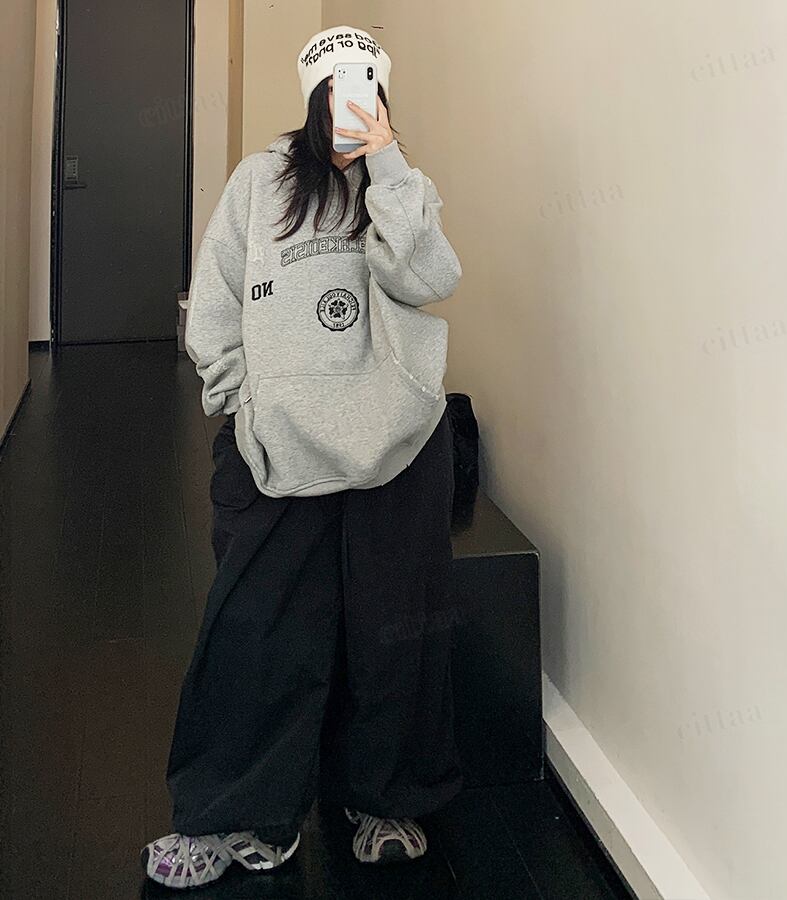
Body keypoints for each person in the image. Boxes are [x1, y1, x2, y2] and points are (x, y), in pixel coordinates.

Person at [141, 25, 465, 889]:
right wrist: (237, 396)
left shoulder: (400, 188)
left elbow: (430, 278)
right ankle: (237, 812)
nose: (351, 102)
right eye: (337, 88)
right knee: (257, 631)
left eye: (367, 87)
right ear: (314, 95)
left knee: (395, 630)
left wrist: (387, 163)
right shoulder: (260, 180)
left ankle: (384, 799)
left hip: (397, 440)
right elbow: (216, 297)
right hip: (277, 442)